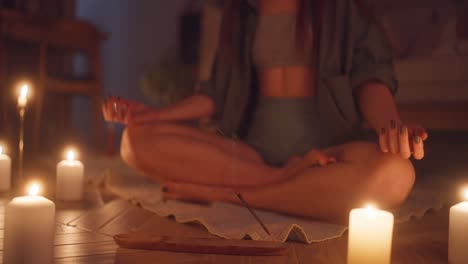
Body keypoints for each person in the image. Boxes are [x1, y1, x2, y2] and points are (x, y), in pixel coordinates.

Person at [102, 0, 427, 223]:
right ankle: (282, 179)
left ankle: (226, 194)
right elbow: (218, 92)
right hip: (250, 155)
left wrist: (391, 126)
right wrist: (153, 116)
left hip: (328, 154)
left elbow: (370, 77)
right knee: (134, 140)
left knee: (396, 175)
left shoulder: (341, 10)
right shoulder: (241, 14)